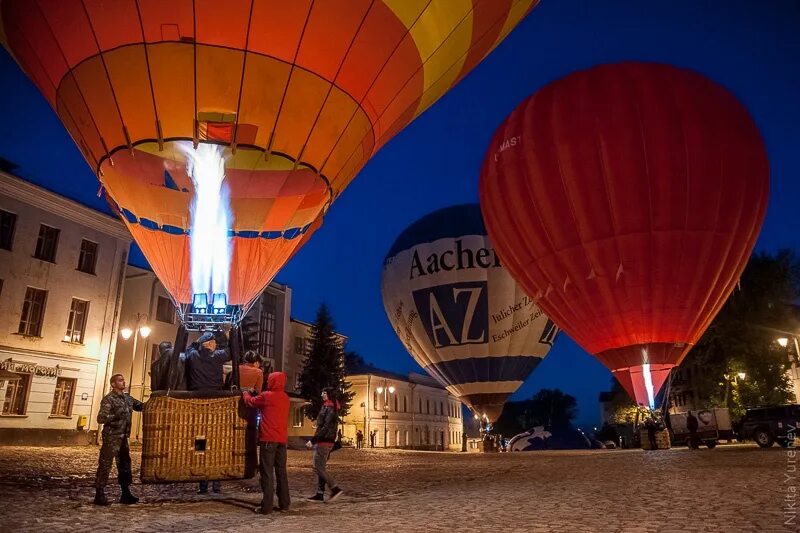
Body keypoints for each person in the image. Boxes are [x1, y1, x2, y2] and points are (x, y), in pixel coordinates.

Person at [186, 330, 230, 493]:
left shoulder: (193, 356)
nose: (216, 344)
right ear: (210, 344)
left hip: (198, 404)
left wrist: (198, 341)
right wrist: (226, 336)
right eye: (214, 342)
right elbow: (231, 351)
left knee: (201, 443)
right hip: (215, 402)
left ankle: (202, 482)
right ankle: (216, 483)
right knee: (216, 442)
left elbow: (189, 348)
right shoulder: (217, 356)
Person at [242, 372, 290, 514]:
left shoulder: (267, 396)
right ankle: (284, 503)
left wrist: (245, 393)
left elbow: (250, 402)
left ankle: (267, 506)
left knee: (267, 473)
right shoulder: (286, 398)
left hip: (268, 439)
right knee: (281, 472)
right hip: (282, 440)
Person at [94, 374, 144, 505]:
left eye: (124, 380)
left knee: (125, 465)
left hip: (123, 438)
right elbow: (101, 418)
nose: (123, 382)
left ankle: (125, 493)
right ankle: (99, 493)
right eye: (120, 380)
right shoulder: (109, 399)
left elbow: (140, 406)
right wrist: (115, 415)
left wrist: (155, 399)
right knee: (105, 465)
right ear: (113, 384)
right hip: (111, 437)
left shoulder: (127, 398)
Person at [306, 388, 343, 502]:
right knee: (319, 467)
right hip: (324, 440)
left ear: (329, 395)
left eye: (324, 393)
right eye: (322, 392)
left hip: (324, 441)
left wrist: (313, 440)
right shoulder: (327, 405)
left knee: (319, 467)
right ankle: (320, 493)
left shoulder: (330, 406)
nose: (322, 394)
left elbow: (326, 426)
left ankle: (335, 488)